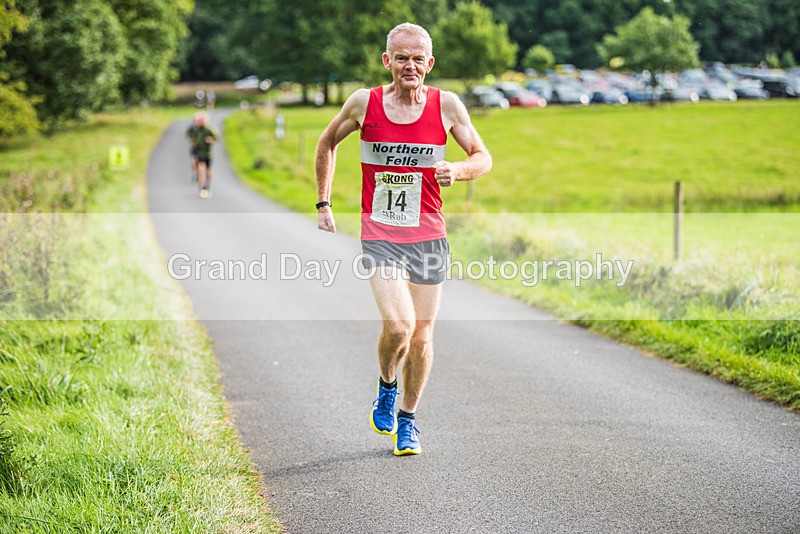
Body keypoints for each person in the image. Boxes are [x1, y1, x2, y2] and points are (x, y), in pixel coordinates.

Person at [315, 23, 492, 455]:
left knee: (423, 335)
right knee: (399, 325)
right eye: (401, 57)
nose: (409, 65)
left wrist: (460, 170)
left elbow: (482, 157)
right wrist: (324, 203)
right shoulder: (364, 102)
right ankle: (387, 386)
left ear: (429, 64)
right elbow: (327, 142)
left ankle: (409, 420)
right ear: (387, 61)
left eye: (417, 58)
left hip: (429, 233)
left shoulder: (447, 106)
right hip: (381, 232)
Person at [191, 112, 218, 198]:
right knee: (200, 168)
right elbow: (192, 137)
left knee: (208, 170)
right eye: (201, 120)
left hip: (208, 153)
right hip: (199, 153)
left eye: (203, 120)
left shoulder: (210, 129)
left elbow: (216, 137)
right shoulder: (196, 129)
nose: (202, 122)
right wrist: (193, 144)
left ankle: (207, 185)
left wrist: (210, 140)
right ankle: (201, 186)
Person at [186, 112, 203, 184]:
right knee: (194, 161)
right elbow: (188, 136)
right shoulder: (191, 128)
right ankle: (195, 173)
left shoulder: (203, 127)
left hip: (201, 148)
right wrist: (192, 142)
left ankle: (200, 177)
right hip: (193, 147)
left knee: (200, 164)